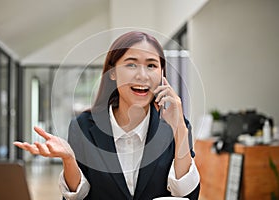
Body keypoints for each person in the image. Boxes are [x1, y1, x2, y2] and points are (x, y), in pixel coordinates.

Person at [14, 31, 200, 200]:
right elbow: (77, 197)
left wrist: (180, 130)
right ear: (112, 73)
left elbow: (186, 194)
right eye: (131, 64)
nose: (142, 75)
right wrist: (69, 160)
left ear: (161, 74)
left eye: (151, 65)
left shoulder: (176, 127)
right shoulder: (84, 127)